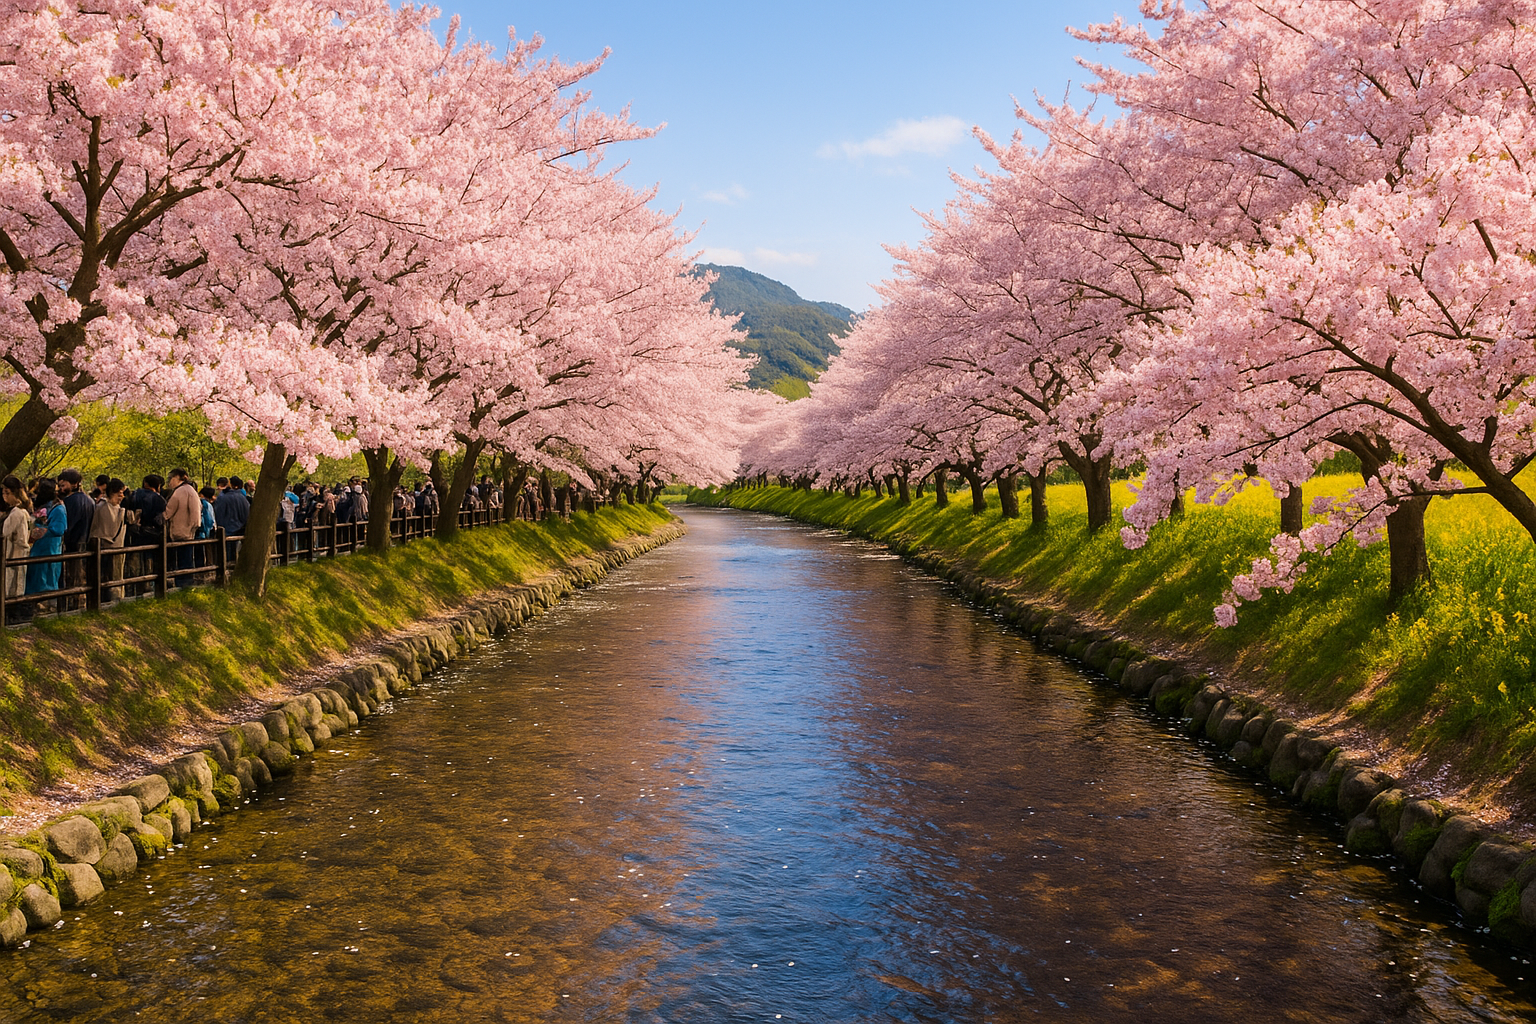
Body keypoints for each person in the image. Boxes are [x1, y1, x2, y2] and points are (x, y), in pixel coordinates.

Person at [25, 478, 66, 606]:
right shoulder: (43, 507)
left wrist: (43, 531)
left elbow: (59, 529)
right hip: (38, 549)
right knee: (36, 577)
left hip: (49, 550)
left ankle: (47, 606)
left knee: (47, 579)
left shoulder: (58, 508)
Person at [123, 474, 166, 594]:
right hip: (152, 535)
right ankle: (149, 585)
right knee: (150, 560)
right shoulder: (158, 499)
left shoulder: (133, 496)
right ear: (157, 486)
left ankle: (133, 587)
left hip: (134, 534)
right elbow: (160, 520)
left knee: (134, 560)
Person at [58, 468, 94, 605]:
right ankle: (80, 601)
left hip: (73, 542)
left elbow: (68, 525)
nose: (61, 488)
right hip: (86, 542)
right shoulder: (90, 500)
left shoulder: (69, 502)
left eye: (63, 485)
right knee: (82, 576)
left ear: (74, 484)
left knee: (71, 576)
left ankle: (71, 603)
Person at [88, 478, 129, 603]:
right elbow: (107, 529)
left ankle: (115, 598)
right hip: (106, 547)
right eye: (120, 493)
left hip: (116, 548)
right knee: (106, 576)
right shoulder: (103, 508)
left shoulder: (115, 507)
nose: (122, 496)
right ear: (112, 492)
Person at [2, 476, 32, 623]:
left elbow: (4, 531)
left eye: (6, 492)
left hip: (14, 552)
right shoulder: (21, 511)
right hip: (18, 552)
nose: (4, 496)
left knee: (12, 585)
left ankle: (12, 616)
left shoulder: (16, 513)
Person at [164, 468, 200, 586]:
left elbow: (168, 511)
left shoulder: (180, 492)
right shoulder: (191, 490)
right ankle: (187, 581)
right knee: (187, 557)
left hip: (180, 529)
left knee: (182, 559)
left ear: (178, 478)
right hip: (189, 530)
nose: (169, 482)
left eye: (171, 479)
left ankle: (182, 582)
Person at [213, 474, 250, 562]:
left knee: (226, 554)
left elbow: (219, 514)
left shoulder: (223, 498)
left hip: (227, 529)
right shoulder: (243, 498)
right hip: (240, 528)